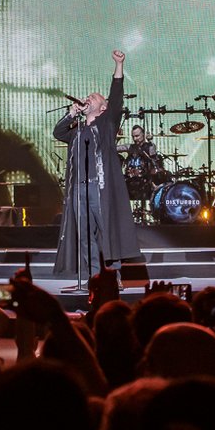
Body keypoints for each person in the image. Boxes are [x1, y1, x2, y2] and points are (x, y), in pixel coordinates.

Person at [53, 50, 141, 278]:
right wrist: (72, 114)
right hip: (79, 189)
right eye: (88, 96)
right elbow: (58, 132)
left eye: (94, 97)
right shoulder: (77, 131)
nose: (88, 98)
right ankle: (94, 276)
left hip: (99, 187)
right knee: (84, 235)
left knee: (107, 230)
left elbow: (116, 95)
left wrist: (119, 65)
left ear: (103, 107)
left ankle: (114, 276)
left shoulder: (107, 124)